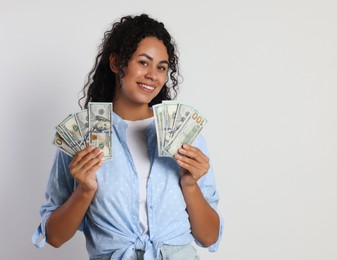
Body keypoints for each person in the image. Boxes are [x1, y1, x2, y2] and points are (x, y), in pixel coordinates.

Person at [32, 14, 223, 260]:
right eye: (143, 62)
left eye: (161, 67)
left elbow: (209, 236)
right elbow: (55, 237)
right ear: (116, 63)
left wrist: (190, 184)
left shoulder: (184, 135)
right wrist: (84, 190)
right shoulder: (83, 135)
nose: (153, 75)